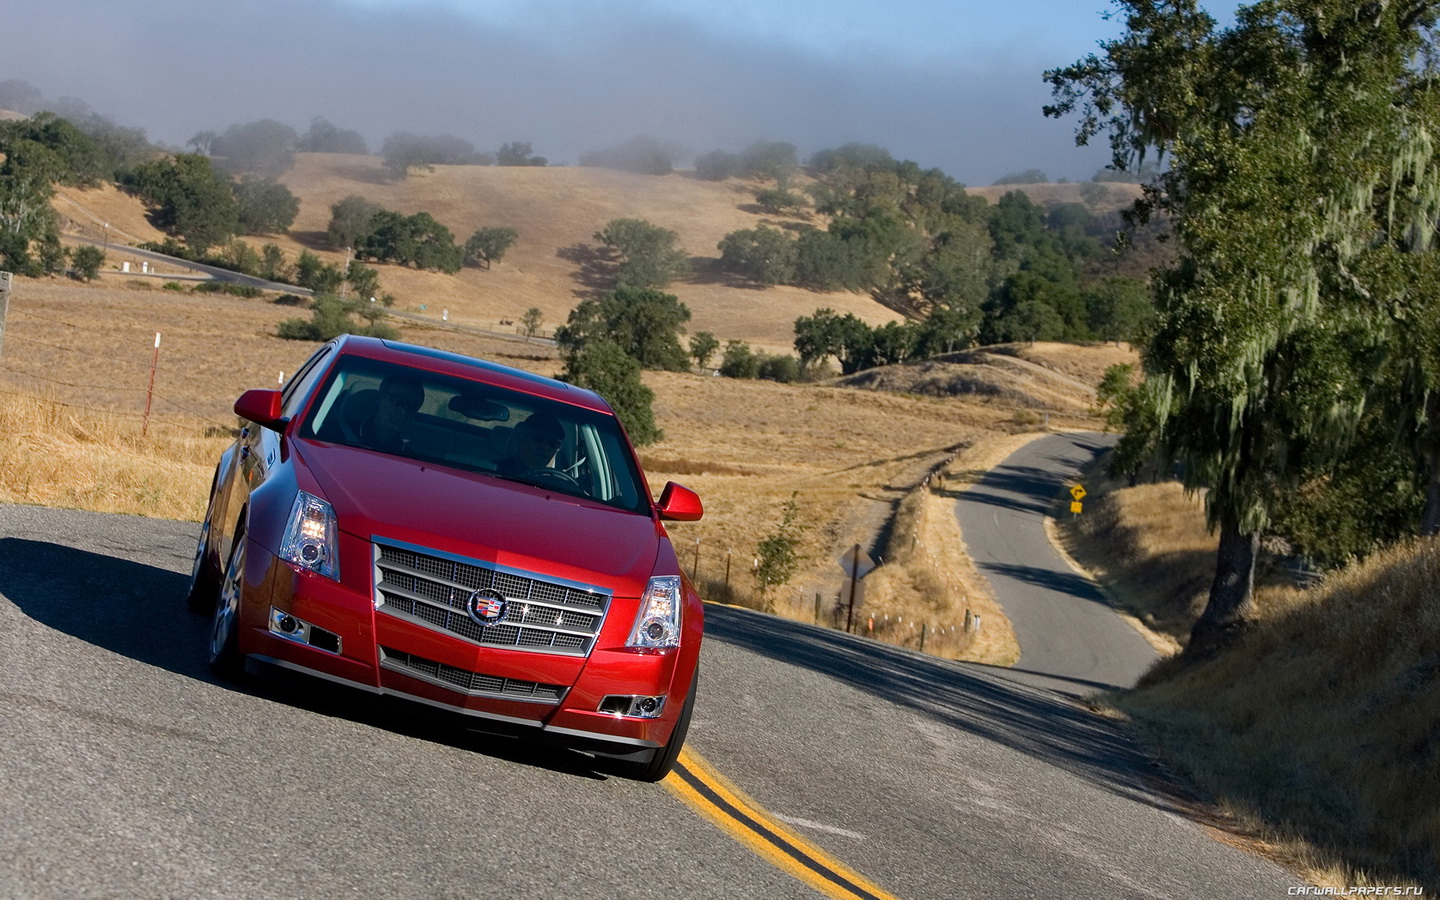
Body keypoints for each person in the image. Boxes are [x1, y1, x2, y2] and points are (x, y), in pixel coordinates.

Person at [357, 373, 424, 453]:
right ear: (380, 398)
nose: (404, 411)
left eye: (412, 407)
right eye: (398, 401)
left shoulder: (408, 459)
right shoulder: (340, 433)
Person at [495, 411, 565, 478]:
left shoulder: (557, 483)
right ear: (520, 439)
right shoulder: (495, 472)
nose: (546, 447)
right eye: (539, 438)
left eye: (553, 443)